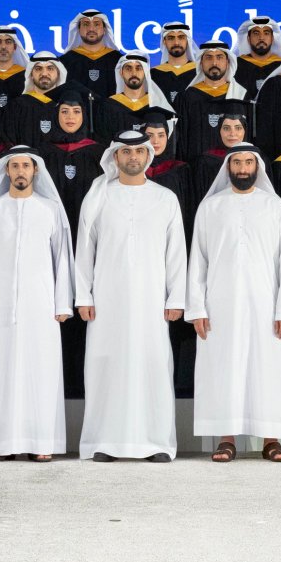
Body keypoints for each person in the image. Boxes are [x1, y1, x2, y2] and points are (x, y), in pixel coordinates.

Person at [75, 130, 187, 463]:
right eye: (126, 152)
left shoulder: (165, 198)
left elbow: (176, 252)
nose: (133, 157)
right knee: (106, 365)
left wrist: (176, 298)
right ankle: (105, 442)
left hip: (152, 300)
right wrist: (83, 296)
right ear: (115, 157)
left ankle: (155, 442)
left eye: (139, 151)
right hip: (106, 299)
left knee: (153, 365)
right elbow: (84, 249)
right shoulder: (99, 196)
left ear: (148, 156)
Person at [187, 144, 281, 462]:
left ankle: (271, 440)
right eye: (237, 162)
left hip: (266, 302)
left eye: (249, 162)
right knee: (224, 368)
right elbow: (198, 260)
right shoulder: (211, 207)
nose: (243, 168)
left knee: (268, 369)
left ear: (257, 167)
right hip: (220, 303)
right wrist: (197, 308)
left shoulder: (275, 206)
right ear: (228, 167)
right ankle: (226, 439)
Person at [0, 147, 75, 461]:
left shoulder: (50, 209)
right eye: (14, 166)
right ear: (6, 171)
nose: (20, 171)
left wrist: (63, 304)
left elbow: (62, 258)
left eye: (25, 166)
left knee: (40, 372)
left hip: (41, 305)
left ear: (35, 170)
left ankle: (40, 444)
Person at [37, 84, 106, 235]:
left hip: (89, 229)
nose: (70, 117)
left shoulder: (98, 153)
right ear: (56, 115)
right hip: (52, 228)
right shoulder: (43, 153)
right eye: (64, 111)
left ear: (84, 115)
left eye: (76, 111)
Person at [171, 42, 246, 164]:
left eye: (219, 57)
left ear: (228, 62)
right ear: (201, 63)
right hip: (195, 169)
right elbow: (181, 142)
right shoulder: (186, 98)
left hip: (233, 168)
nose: (214, 63)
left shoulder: (241, 96)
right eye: (208, 57)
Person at [100, 52, 179, 141]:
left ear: (145, 72)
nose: (134, 73)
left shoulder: (158, 104)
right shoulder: (109, 106)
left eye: (138, 68)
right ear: (121, 73)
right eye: (128, 68)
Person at [2, 51, 66, 145]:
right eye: (38, 69)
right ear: (31, 74)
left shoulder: (67, 105)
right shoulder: (17, 106)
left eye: (50, 68)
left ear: (58, 73)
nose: (44, 73)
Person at [61, 9, 122, 92]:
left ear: (104, 29)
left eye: (97, 24)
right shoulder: (65, 61)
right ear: (78, 29)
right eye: (86, 24)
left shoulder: (118, 60)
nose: (91, 29)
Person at [231, 15, 281, 97]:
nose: (261, 38)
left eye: (266, 33)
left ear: (272, 38)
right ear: (248, 39)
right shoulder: (235, 66)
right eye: (256, 33)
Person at [150, 21, 198, 100]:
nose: (176, 43)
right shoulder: (153, 74)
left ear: (187, 40)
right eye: (171, 38)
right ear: (164, 42)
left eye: (181, 37)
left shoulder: (199, 72)